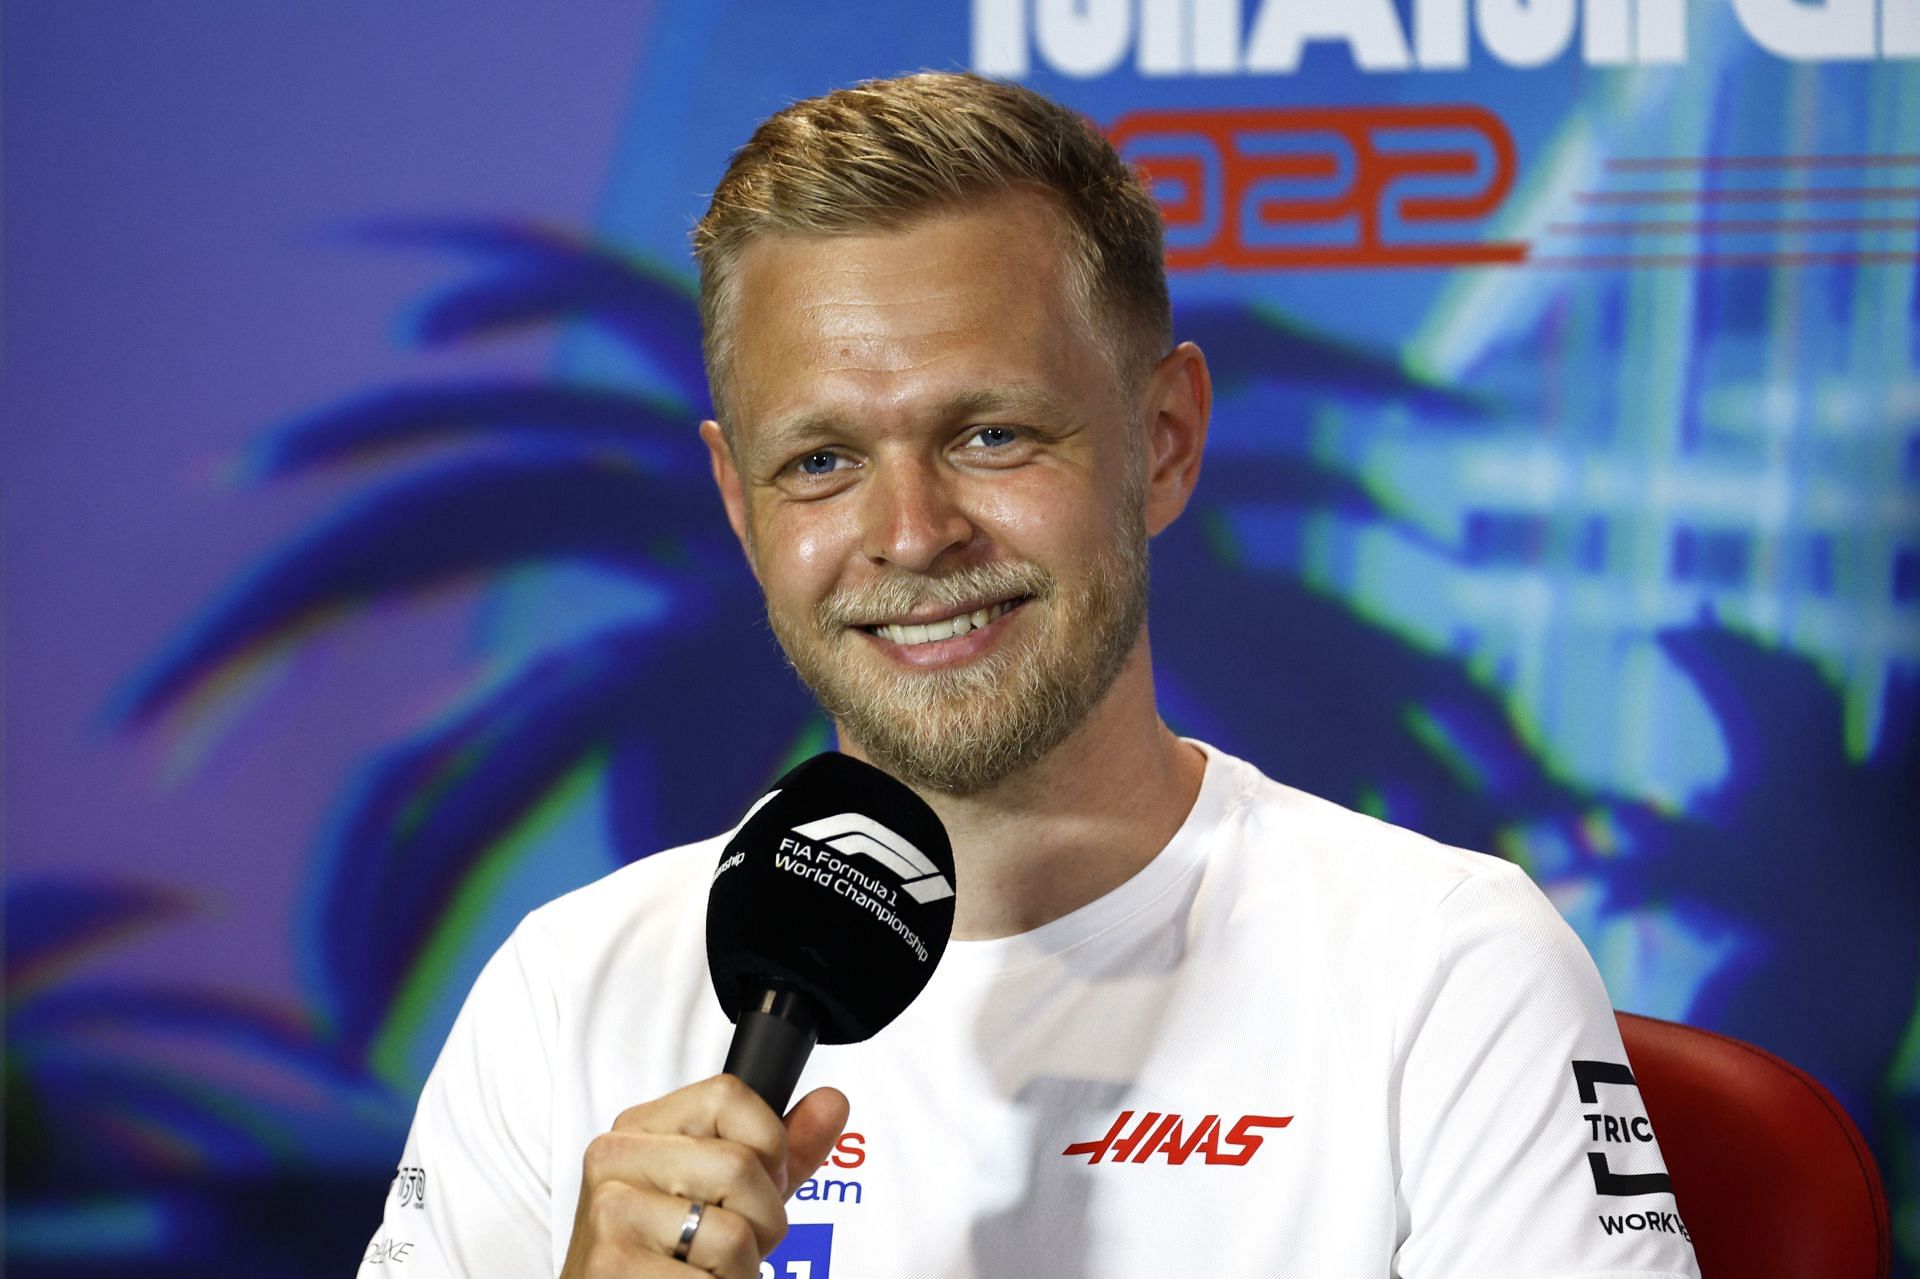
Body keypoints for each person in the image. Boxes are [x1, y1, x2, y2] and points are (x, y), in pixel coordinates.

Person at [359, 73, 1700, 1279]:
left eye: (991, 433)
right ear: (737, 497)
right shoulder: (568, 989)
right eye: (820, 461)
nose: (911, 531)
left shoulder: (1442, 969)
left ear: (1165, 442)